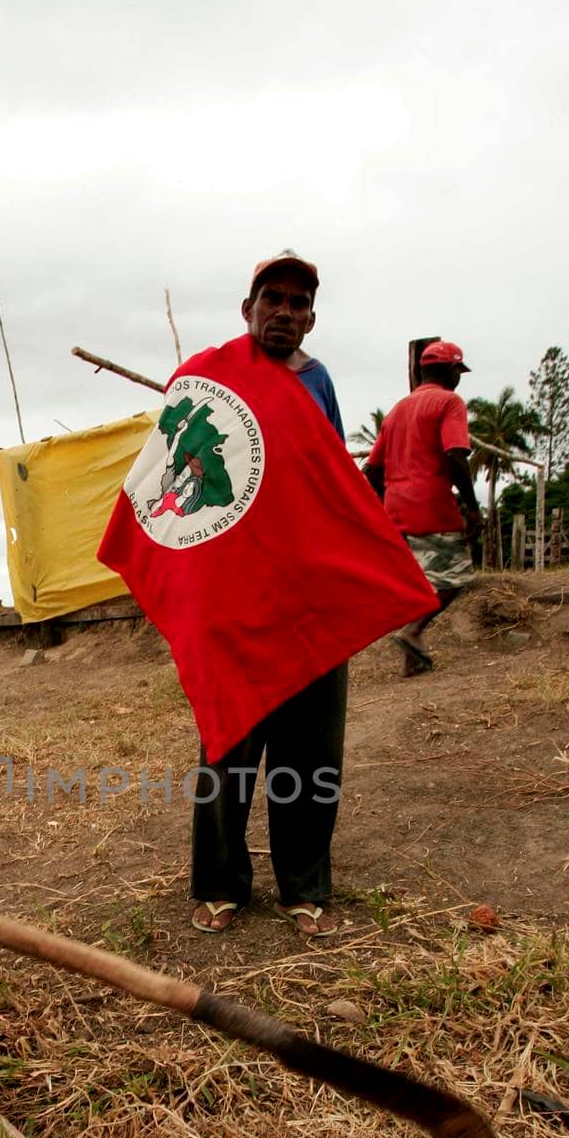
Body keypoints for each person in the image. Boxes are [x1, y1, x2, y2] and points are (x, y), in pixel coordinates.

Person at [190, 251, 348, 938]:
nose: (284, 310)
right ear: (246, 309)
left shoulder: (317, 384)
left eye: (297, 301)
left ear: (311, 318)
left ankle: (303, 886)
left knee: (310, 749)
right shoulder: (208, 379)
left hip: (309, 596)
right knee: (227, 742)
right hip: (232, 597)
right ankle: (220, 884)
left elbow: (337, 484)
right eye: (271, 297)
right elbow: (177, 488)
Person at [364, 341, 481, 675]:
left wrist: (374, 512)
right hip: (431, 506)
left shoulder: (397, 410)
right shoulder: (449, 402)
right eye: (458, 370)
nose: (459, 377)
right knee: (455, 578)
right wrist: (472, 508)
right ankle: (413, 632)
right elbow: (455, 455)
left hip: (395, 510)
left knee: (416, 584)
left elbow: (372, 470)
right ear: (449, 370)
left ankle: (411, 663)